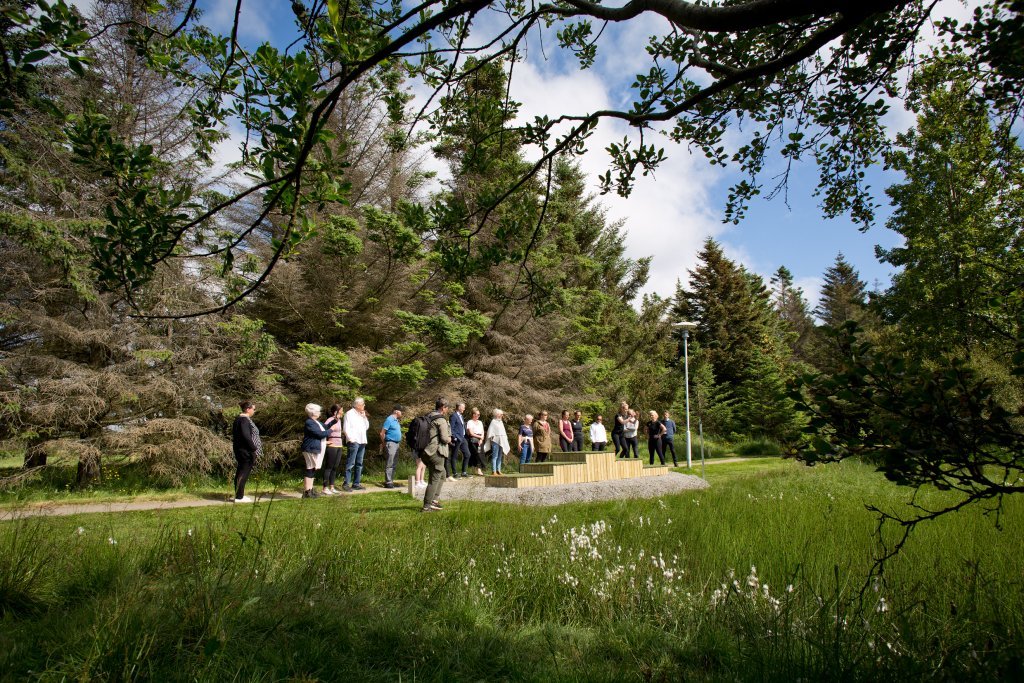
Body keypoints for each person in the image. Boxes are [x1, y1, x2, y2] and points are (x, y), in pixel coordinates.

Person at [420, 398, 452, 512]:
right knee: (434, 479)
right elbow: (444, 438)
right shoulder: (441, 420)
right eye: (447, 408)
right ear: (443, 407)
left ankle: (434, 501)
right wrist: (450, 439)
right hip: (435, 452)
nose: (448, 410)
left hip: (425, 451)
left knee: (442, 474)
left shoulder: (429, 416)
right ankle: (427, 506)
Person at [231, 400, 262, 503]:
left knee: (241, 471)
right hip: (246, 451)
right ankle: (239, 497)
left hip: (241, 450)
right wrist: (253, 448)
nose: (254, 411)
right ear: (248, 409)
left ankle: (239, 495)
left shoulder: (239, 419)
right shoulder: (244, 420)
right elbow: (246, 436)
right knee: (243, 472)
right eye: (253, 409)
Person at [301, 403, 330, 498]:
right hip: (310, 448)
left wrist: (336, 419)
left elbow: (326, 426)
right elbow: (320, 434)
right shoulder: (310, 422)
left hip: (314, 448)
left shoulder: (316, 422)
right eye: (318, 411)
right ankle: (307, 491)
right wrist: (331, 431)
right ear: (313, 412)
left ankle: (310, 489)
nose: (319, 413)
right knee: (310, 468)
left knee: (313, 469)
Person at [342, 397, 369, 491]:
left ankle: (356, 483)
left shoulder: (361, 414)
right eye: (363, 404)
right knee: (351, 463)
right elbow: (346, 428)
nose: (364, 406)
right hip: (354, 441)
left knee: (359, 463)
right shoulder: (349, 414)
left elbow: (366, 427)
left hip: (362, 441)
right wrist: (351, 439)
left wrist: (364, 416)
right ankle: (346, 484)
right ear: (358, 405)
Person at [322, 404, 344, 495]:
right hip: (332, 445)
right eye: (341, 410)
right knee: (329, 467)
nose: (343, 412)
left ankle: (332, 486)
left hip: (339, 445)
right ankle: (325, 487)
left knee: (335, 467)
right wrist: (326, 441)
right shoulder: (330, 420)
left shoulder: (339, 421)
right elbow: (324, 430)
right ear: (336, 412)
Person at [379, 404, 403, 489]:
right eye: (401, 411)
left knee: (394, 463)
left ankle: (391, 480)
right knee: (390, 462)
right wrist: (384, 443)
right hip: (391, 443)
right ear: (396, 411)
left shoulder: (396, 420)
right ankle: (388, 481)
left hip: (396, 444)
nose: (402, 413)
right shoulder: (389, 419)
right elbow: (382, 433)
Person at [484, 408, 510, 475]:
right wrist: (493, 437)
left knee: (500, 456)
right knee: (495, 456)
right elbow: (490, 432)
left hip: (501, 441)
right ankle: (494, 471)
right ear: (497, 414)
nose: (502, 415)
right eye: (501, 414)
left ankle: (498, 470)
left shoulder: (501, 422)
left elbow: (503, 432)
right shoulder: (493, 421)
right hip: (495, 441)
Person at [449, 402, 470, 478]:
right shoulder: (453, 416)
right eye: (463, 407)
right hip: (457, 438)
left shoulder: (461, 416)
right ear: (459, 407)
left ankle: (464, 472)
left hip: (463, 438)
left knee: (467, 454)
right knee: (454, 456)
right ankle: (455, 473)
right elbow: (451, 428)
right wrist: (455, 437)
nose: (464, 409)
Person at [466, 407, 485, 476]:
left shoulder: (480, 422)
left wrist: (481, 439)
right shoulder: (470, 422)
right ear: (473, 414)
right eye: (477, 414)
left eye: (479, 414)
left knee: (480, 454)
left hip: (480, 439)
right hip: (473, 440)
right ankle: (474, 468)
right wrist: (480, 437)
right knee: (475, 454)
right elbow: (471, 433)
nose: (478, 416)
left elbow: (482, 431)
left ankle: (479, 469)